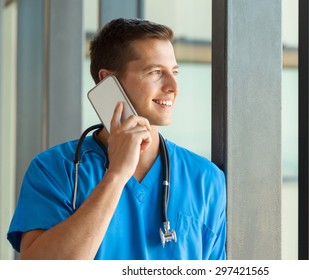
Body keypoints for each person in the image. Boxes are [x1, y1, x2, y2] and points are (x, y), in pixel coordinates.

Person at [7, 18, 226, 260]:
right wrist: (116, 175)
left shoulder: (206, 179)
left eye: (174, 72)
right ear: (107, 81)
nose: (173, 86)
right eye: (155, 72)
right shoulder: (56, 169)